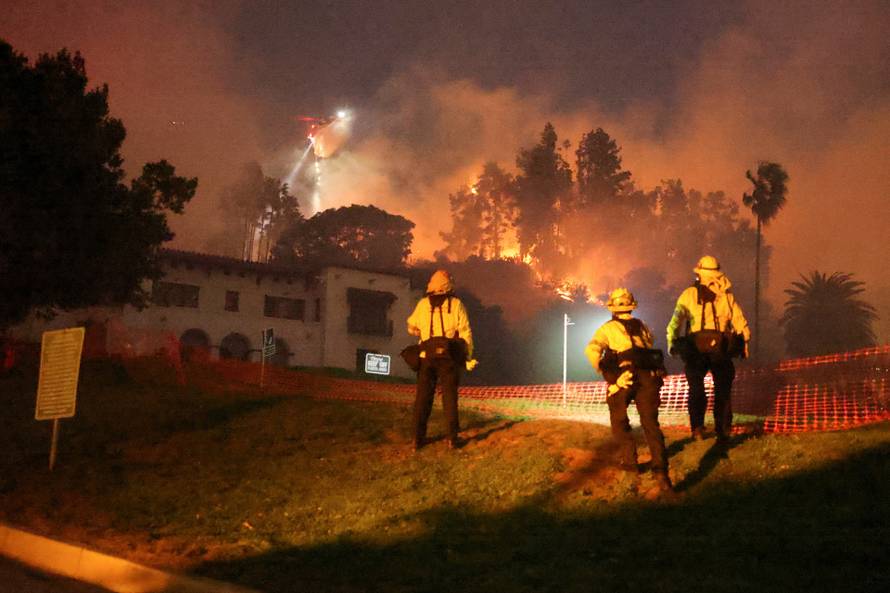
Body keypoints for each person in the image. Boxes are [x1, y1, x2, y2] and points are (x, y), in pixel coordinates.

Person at [585, 288, 673, 493]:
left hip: (624, 378)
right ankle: (661, 471)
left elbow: (591, 350)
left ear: (612, 307)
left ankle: (630, 463)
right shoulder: (642, 326)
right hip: (648, 378)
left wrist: (607, 374)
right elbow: (649, 346)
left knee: (619, 419)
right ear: (631, 306)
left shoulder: (607, 328)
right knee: (651, 424)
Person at [667, 255, 751, 444]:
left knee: (696, 390)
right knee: (723, 391)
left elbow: (675, 322)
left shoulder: (688, 294)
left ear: (699, 273)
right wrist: (745, 344)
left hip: (695, 351)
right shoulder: (726, 296)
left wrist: (672, 342)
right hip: (721, 350)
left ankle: (697, 429)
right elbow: (740, 323)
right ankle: (723, 430)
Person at [407, 269, 476, 450]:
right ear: (448, 284)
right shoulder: (456, 304)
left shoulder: (423, 304)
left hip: (426, 357)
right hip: (449, 357)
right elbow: (466, 332)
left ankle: (417, 439)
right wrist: (467, 356)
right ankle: (452, 438)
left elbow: (411, 326)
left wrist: (421, 331)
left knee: (423, 398)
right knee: (450, 398)